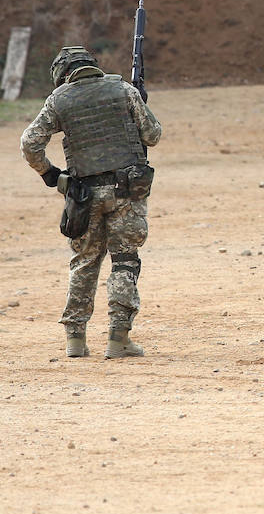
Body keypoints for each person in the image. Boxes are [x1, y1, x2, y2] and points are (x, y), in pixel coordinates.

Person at [21, 46, 162, 359]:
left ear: (61, 76)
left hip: (83, 195)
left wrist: (52, 176)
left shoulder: (59, 100)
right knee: (124, 260)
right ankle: (118, 337)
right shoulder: (124, 90)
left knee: (84, 262)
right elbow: (153, 135)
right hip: (127, 192)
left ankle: (75, 339)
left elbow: (29, 143)